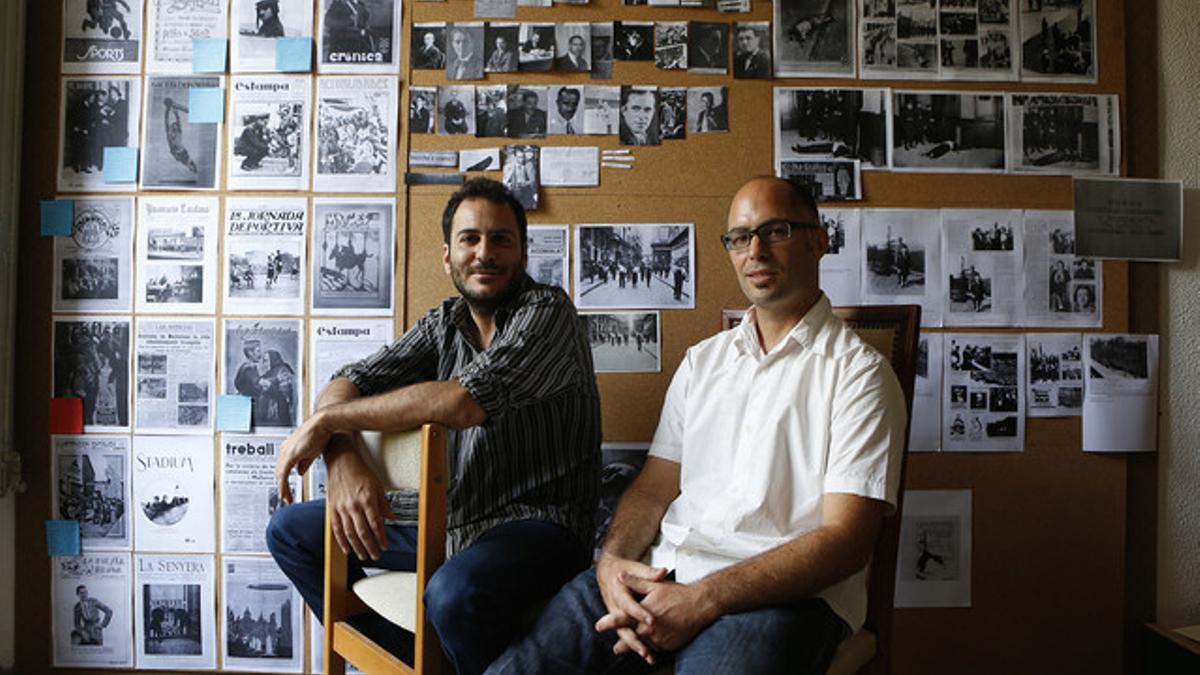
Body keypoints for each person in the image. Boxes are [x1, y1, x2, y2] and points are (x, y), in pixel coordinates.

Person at [487, 176, 906, 675]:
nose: (755, 250)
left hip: (784, 599)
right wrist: (613, 564)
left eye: (776, 231)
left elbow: (847, 542)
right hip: (664, 572)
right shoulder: (703, 363)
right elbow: (652, 489)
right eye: (739, 236)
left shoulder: (860, 374)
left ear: (818, 241)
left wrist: (705, 598)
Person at [267, 178, 600, 675]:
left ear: (523, 251)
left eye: (500, 239)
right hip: (451, 520)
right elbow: (347, 380)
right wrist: (341, 456)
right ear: (447, 256)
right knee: (290, 531)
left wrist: (328, 422)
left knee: (452, 593)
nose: (484, 253)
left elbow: (462, 402)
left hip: (538, 524)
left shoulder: (548, 314)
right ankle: (421, 666)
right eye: (470, 239)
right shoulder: (444, 322)